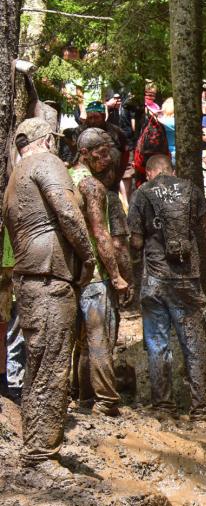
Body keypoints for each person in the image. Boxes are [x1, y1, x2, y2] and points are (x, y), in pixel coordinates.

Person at [3, 119, 97, 474]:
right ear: (46, 140)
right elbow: (67, 211)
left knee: (38, 366)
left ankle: (36, 448)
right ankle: (41, 454)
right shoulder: (46, 163)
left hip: (30, 279)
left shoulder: (16, 175)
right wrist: (88, 257)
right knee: (52, 368)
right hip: (48, 278)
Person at [128, 155, 206, 422]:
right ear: (173, 170)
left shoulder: (142, 194)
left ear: (149, 173)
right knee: (194, 344)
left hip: (155, 280)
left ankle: (164, 407)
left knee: (158, 344)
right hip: (187, 280)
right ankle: (201, 410)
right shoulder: (191, 190)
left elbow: (135, 242)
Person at [70, 129, 133, 417]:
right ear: (85, 153)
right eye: (101, 154)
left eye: (109, 153)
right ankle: (106, 401)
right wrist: (117, 275)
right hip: (94, 275)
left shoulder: (65, 180)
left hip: (73, 273)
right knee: (99, 338)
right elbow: (100, 233)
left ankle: (83, 398)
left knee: (82, 341)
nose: (107, 161)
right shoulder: (91, 186)